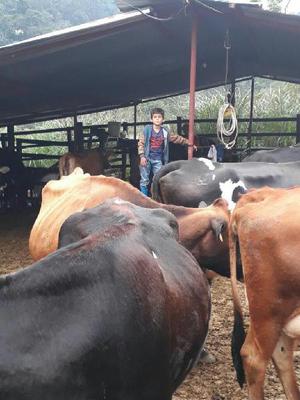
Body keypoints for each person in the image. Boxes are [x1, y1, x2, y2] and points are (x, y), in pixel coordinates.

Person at [138, 108, 197, 196]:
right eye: (155, 117)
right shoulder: (147, 130)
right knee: (144, 180)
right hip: (146, 158)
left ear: (163, 119)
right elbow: (141, 143)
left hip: (158, 159)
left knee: (158, 179)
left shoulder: (165, 131)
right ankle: (143, 198)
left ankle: (156, 198)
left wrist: (189, 143)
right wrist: (142, 156)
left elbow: (177, 138)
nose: (157, 119)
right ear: (151, 119)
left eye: (159, 117)